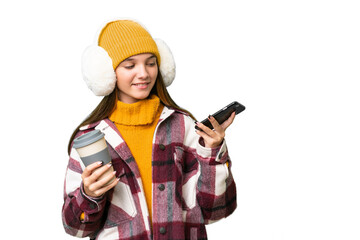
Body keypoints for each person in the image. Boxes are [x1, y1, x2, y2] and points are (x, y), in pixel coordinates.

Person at [62, 19, 237, 240]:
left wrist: (213, 153)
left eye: (151, 63)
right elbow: (75, 228)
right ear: (106, 73)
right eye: (130, 65)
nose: (144, 73)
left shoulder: (183, 127)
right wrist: (89, 195)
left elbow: (218, 210)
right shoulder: (89, 138)